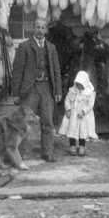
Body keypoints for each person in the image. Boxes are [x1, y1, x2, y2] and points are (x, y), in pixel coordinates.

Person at [11, 22, 64, 161]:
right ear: (33, 28)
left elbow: (56, 71)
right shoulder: (24, 47)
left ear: (46, 30)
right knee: (23, 122)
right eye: (37, 27)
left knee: (48, 121)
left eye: (42, 28)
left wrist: (57, 90)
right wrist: (15, 93)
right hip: (29, 88)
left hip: (47, 87)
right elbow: (17, 71)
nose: (40, 30)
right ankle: (21, 155)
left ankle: (47, 152)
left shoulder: (51, 48)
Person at [59, 71, 97, 156]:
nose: (79, 86)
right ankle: (72, 145)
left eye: (81, 84)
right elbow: (67, 100)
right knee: (72, 129)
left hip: (83, 116)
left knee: (82, 131)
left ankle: (81, 146)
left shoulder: (90, 92)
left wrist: (84, 111)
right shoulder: (73, 90)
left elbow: (90, 105)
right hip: (73, 115)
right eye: (77, 83)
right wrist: (68, 109)